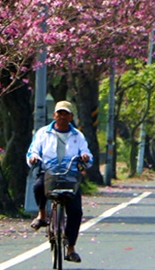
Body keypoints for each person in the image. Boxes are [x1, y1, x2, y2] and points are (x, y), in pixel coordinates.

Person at [27, 100, 92, 264]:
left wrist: (85, 157)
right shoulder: (43, 133)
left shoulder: (78, 135)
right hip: (49, 173)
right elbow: (33, 151)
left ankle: (70, 248)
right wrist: (34, 158)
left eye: (66, 114)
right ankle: (42, 214)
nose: (62, 117)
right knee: (38, 186)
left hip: (70, 176)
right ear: (54, 115)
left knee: (76, 211)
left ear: (71, 117)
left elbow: (86, 154)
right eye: (59, 113)